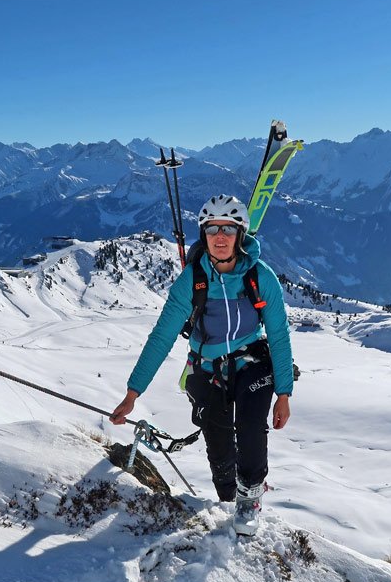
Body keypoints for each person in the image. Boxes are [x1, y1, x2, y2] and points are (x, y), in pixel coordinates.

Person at [110, 194, 294, 536]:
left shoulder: (260, 276)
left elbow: (279, 335)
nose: (220, 237)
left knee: (251, 426)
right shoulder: (192, 280)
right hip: (207, 368)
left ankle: (249, 500)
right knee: (218, 444)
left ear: (240, 234)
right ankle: (228, 498)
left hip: (252, 361)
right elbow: (162, 336)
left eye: (228, 229)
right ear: (204, 235)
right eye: (212, 230)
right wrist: (133, 393)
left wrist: (283, 393)